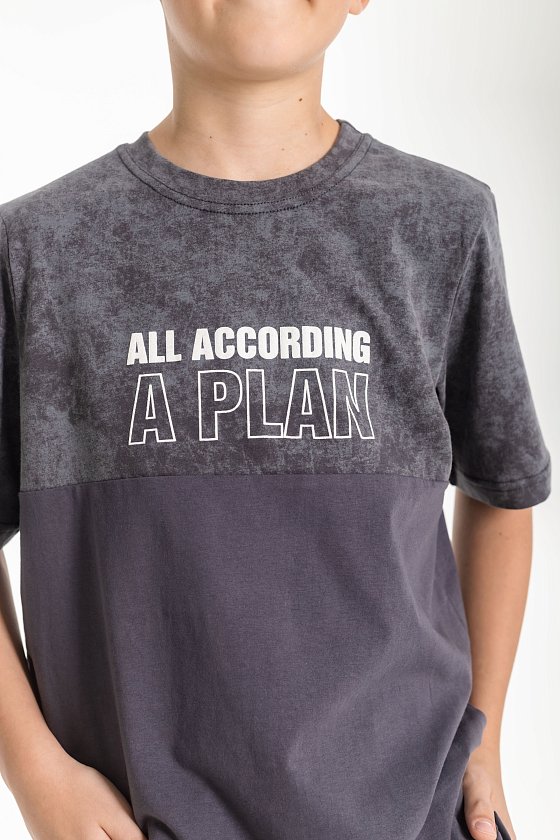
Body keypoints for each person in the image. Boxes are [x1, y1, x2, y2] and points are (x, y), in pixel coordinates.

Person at [0, 1, 552, 839]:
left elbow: (504, 489)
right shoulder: (40, 247)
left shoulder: (442, 222)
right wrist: (38, 774)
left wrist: (486, 739)